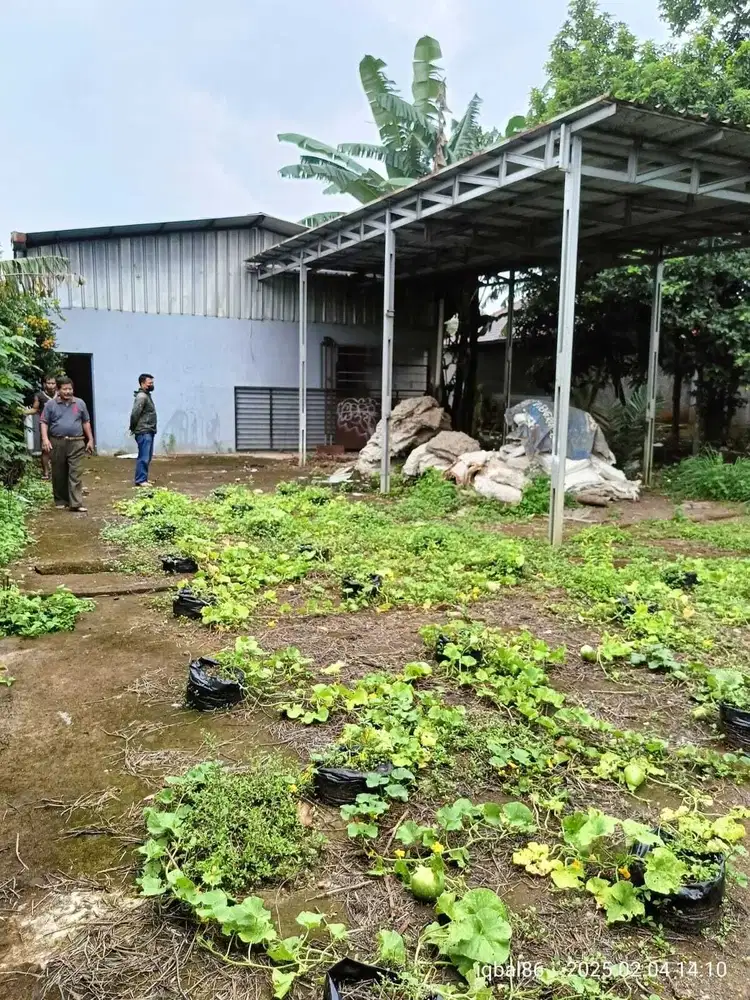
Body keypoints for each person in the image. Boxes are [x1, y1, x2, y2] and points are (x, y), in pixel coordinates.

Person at [40, 377, 95, 513]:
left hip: (76, 441)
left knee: (75, 472)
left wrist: (90, 439)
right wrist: (45, 439)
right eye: (64, 389)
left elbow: (86, 422)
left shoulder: (80, 403)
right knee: (59, 472)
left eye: (70, 389)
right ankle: (61, 500)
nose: (68, 392)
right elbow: (44, 422)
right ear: (58, 390)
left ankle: (75, 503)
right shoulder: (50, 405)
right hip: (57, 441)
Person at [25, 374, 58, 479]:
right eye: (49, 383)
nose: (51, 385)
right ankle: (46, 473)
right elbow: (35, 409)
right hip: (45, 426)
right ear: (44, 384)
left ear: (56, 384)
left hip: (59, 425)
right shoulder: (39, 396)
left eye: (53, 383)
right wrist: (22, 412)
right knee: (45, 450)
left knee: (59, 449)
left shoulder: (60, 394)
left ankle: (57, 472)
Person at [129, 373, 157, 487]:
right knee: (144, 456)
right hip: (144, 431)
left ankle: (142, 478)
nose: (152, 385)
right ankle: (141, 480)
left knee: (147, 456)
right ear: (142, 383)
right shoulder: (142, 397)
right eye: (149, 383)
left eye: (152, 383)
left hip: (148, 430)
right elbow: (135, 414)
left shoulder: (146, 396)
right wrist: (133, 427)